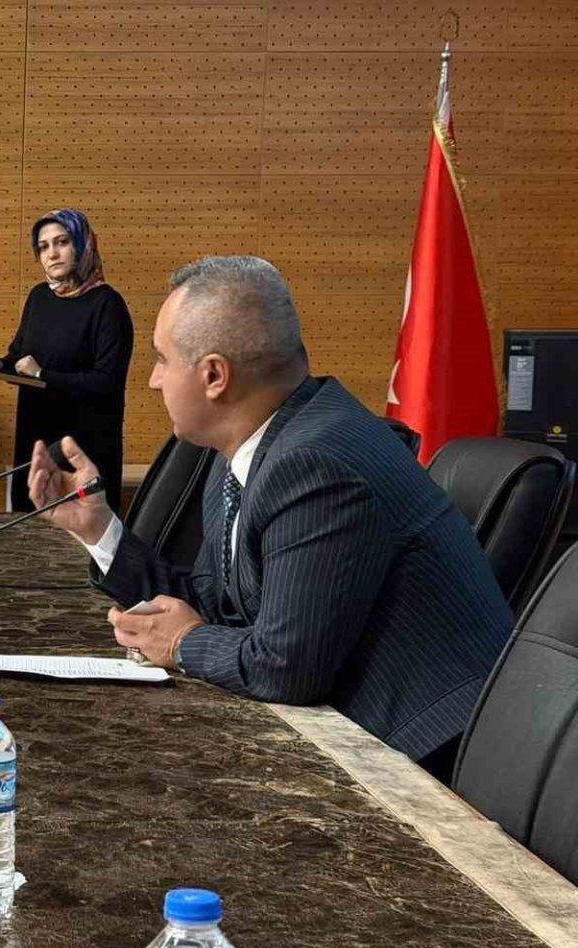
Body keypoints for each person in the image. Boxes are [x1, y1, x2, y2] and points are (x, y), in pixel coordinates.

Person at [27, 256, 513, 778]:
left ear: (214, 376)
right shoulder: (250, 447)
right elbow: (218, 603)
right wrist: (99, 528)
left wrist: (183, 642)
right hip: (351, 734)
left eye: (162, 359)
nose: (153, 380)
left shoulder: (316, 462)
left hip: (429, 767)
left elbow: (285, 667)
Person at [0, 209, 133, 513]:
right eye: (43, 246)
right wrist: (0, 364)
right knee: (27, 528)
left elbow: (106, 381)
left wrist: (43, 375)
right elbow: (20, 356)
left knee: (76, 534)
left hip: (83, 449)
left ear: (83, 244)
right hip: (35, 440)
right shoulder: (39, 297)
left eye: (62, 242)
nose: (52, 254)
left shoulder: (108, 304)